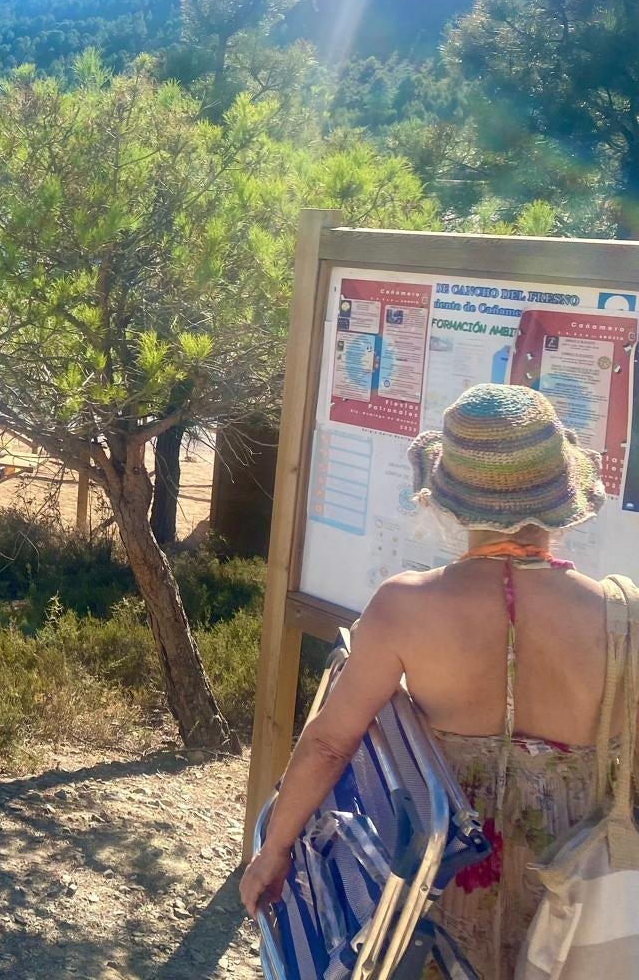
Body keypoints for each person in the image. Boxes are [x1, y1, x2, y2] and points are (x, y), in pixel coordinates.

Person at [240, 384, 632, 978]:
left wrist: (273, 852)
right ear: (560, 495)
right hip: (585, 883)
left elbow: (328, 742)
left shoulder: (404, 606)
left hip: (444, 870)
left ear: (450, 500)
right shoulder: (621, 615)